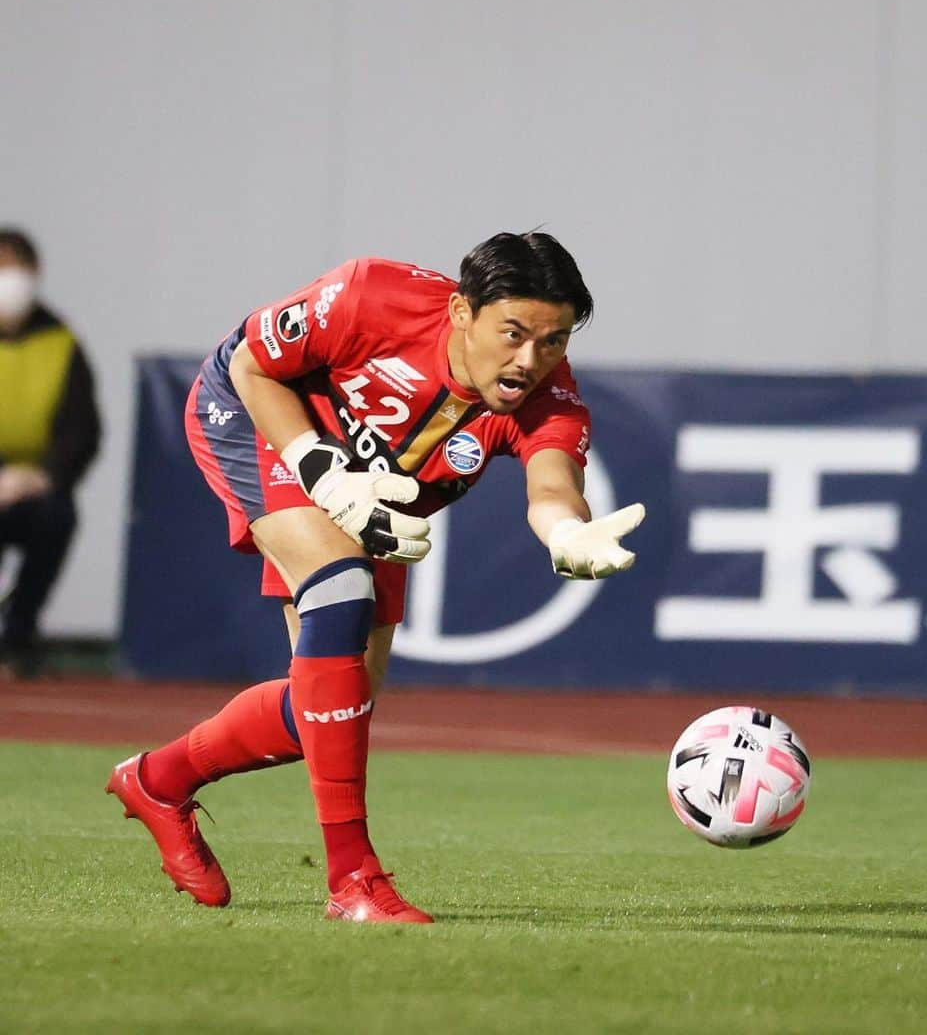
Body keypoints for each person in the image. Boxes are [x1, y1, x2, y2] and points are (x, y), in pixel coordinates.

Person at [106, 231, 644, 923]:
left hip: (376, 491)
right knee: (340, 590)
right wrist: (318, 469)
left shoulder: (553, 401)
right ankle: (354, 881)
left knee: (333, 704)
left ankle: (158, 780)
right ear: (460, 313)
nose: (529, 361)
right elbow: (251, 367)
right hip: (257, 420)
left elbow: (552, 486)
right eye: (513, 334)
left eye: (554, 341)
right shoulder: (371, 295)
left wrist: (568, 531)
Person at [0, 229, 101, 678]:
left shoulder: (62, 344)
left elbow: (82, 428)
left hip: (30, 486)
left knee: (55, 516)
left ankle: (17, 638)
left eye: (13, 267)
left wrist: (43, 475)